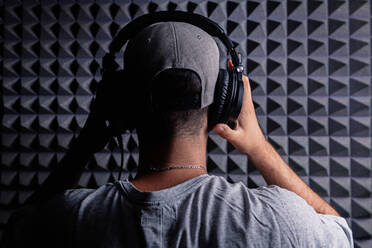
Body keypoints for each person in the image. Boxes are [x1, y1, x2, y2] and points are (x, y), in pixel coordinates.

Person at [4, 22, 353, 248]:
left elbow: (14, 232)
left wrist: (91, 136)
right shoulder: (274, 219)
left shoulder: (70, 218)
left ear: (122, 103)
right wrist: (259, 147)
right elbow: (340, 235)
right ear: (224, 101)